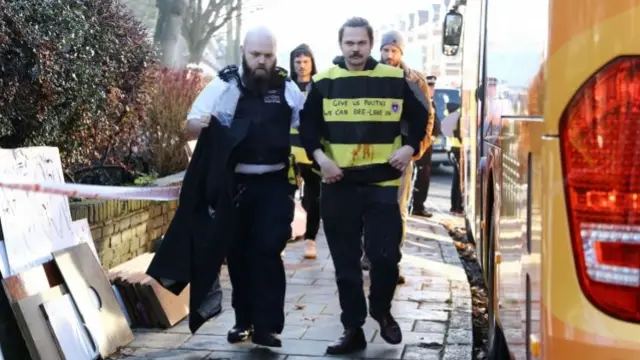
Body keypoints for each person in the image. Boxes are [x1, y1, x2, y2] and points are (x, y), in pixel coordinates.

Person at [147, 26, 305, 348]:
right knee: (237, 253)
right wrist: (202, 125)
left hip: (275, 184)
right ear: (244, 53)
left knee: (267, 249)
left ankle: (268, 326)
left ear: (276, 55)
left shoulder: (287, 89)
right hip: (234, 186)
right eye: (255, 54)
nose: (261, 61)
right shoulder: (225, 85)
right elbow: (190, 125)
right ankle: (243, 321)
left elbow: (305, 128)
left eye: (268, 55)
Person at [299, 17, 428, 355]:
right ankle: (352, 328)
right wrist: (321, 160)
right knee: (345, 265)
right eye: (349, 43)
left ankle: (381, 310)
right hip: (339, 185)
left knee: (386, 256)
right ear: (340, 45)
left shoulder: (394, 78)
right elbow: (308, 128)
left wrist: (409, 146)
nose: (355, 49)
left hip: (382, 183)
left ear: (371, 45)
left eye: (361, 43)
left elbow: (420, 116)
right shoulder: (324, 81)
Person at [359, 30, 434, 285]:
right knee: (368, 207)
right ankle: (369, 254)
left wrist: (415, 150)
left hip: (400, 154)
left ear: (401, 53)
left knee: (396, 210)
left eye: (394, 50)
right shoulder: (367, 75)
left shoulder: (415, 80)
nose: (389, 55)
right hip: (369, 152)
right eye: (385, 50)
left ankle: (392, 261)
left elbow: (427, 117)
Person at [289, 44, 321, 259]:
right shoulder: (285, 86)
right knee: (285, 196)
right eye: (298, 62)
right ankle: (282, 237)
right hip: (288, 149)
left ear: (312, 63)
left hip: (310, 149)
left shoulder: (319, 86)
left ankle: (310, 239)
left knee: (314, 196)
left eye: (306, 62)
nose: (302, 66)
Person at [411, 75, 440, 217]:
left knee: (425, 178)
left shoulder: (431, 102)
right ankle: (416, 206)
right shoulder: (420, 101)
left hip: (427, 148)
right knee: (420, 178)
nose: (431, 89)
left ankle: (419, 205)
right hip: (420, 147)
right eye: (429, 85)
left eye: (433, 86)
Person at [443, 102, 463, 213]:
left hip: (451, 149)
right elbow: (460, 134)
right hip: (458, 149)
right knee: (459, 180)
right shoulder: (458, 115)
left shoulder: (450, 116)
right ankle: (458, 206)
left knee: (456, 180)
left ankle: (454, 206)